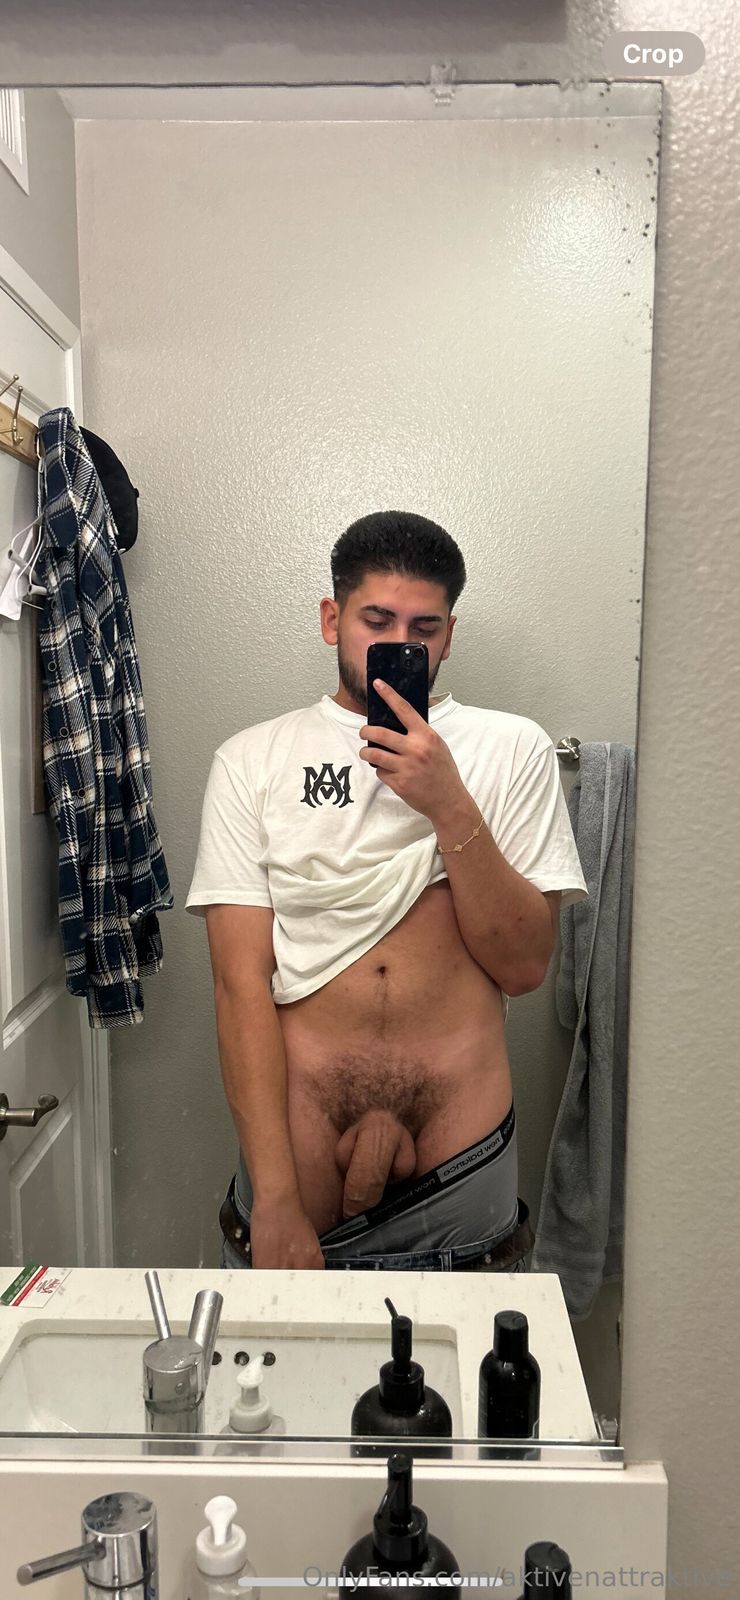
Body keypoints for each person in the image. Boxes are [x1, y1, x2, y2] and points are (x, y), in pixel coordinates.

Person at [186, 511, 588, 1271]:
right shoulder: (251, 760)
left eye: (423, 627)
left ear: (449, 635)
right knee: (278, 1352)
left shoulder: (513, 749)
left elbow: (524, 967)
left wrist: (448, 802)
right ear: (331, 619)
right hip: (297, 1151)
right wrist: (274, 1199)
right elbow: (239, 986)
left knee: (470, 1351)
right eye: (376, 621)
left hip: (459, 1143)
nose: (401, 642)